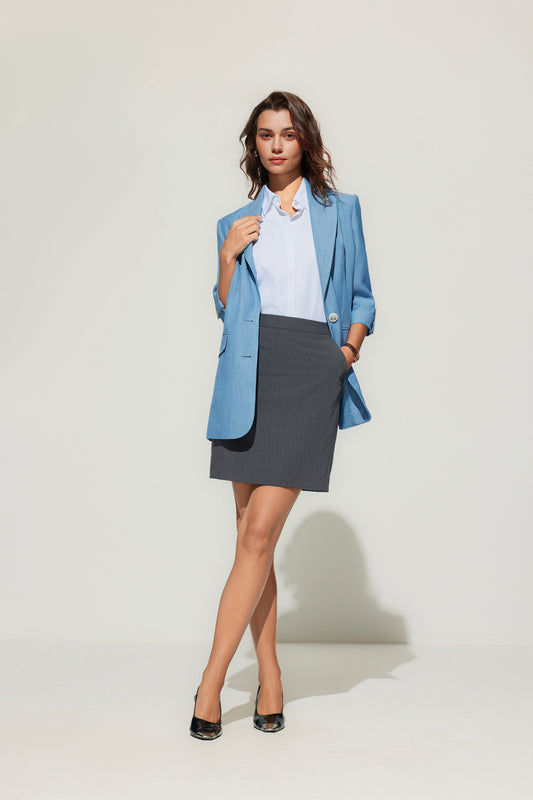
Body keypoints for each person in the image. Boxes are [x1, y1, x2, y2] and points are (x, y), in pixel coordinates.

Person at [190, 90, 376, 739]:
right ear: (254, 144)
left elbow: (361, 295)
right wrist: (227, 256)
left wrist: (344, 354)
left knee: (258, 533)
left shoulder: (340, 211)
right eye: (265, 134)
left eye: (287, 134)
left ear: (305, 142)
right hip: (249, 373)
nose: (275, 144)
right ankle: (269, 674)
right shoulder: (236, 222)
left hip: (309, 370)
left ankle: (210, 684)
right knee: (252, 538)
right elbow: (228, 309)